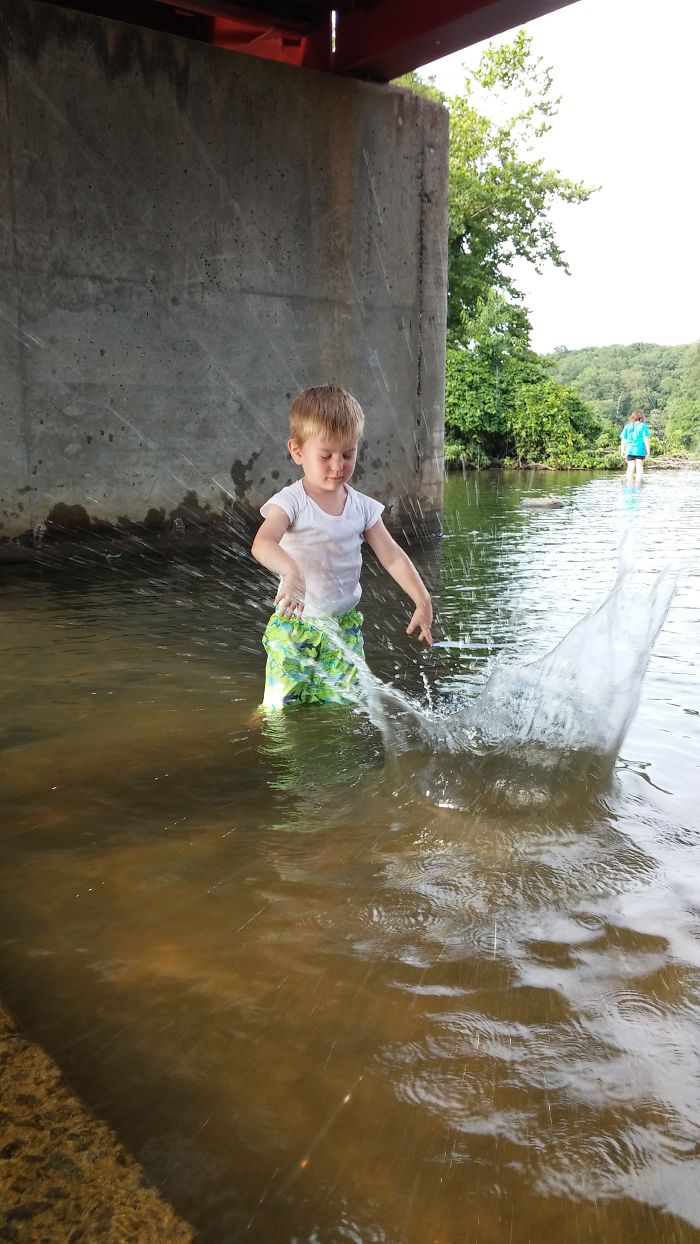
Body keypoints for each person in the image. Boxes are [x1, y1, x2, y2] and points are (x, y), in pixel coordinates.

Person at [251, 384, 433, 710]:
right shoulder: (291, 503)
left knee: (345, 710)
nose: (338, 466)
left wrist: (422, 598)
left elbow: (392, 557)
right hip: (295, 625)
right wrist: (290, 572)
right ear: (297, 452)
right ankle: (265, 724)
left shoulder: (362, 508)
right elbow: (262, 543)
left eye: (348, 454)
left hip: (343, 628)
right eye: (326, 456)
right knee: (281, 712)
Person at [620, 409, 651, 484]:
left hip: (629, 450)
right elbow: (645, 439)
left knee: (630, 468)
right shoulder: (643, 426)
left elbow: (623, 439)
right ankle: (638, 484)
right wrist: (648, 450)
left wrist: (622, 450)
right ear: (641, 418)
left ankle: (629, 484)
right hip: (639, 450)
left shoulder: (627, 426)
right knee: (639, 468)